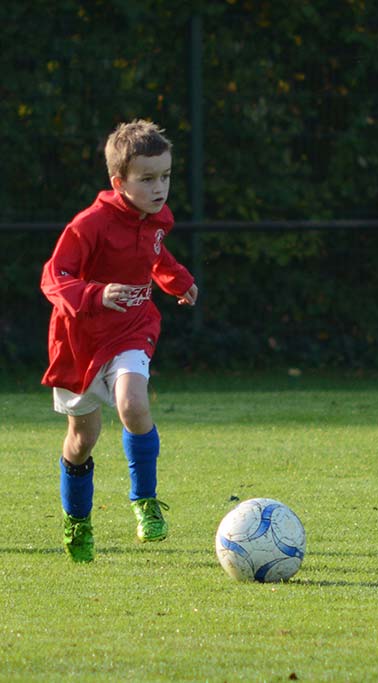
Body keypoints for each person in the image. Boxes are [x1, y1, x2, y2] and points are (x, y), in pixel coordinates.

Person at [40, 120, 198, 563]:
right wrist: (95, 294)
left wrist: (178, 281)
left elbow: (154, 255)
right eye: (147, 179)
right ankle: (77, 519)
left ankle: (144, 500)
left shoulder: (156, 218)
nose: (159, 188)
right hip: (79, 341)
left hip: (132, 327)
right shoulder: (89, 224)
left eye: (165, 176)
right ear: (119, 182)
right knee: (82, 439)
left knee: (133, 403)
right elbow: (54, 277)